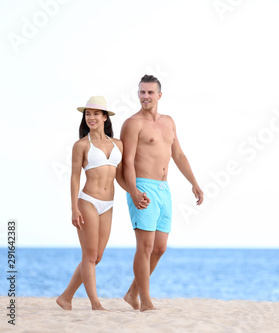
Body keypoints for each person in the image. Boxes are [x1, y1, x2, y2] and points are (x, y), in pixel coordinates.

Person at [56, 96, 149, 310]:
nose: (91, 117)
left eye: (96, 113)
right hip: (87, 201)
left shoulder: (118, 144)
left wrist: (135, 193)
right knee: (89, 256)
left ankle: (65, 297)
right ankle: (95, 304)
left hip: (108, 204)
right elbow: (74, 178)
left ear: (105, 117)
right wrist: (73, 208)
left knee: (97, 257)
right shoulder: (81, 145)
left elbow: (120, 177)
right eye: (88, 114)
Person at [121, 75, 204, 311]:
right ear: (138, 94)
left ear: (159, 95)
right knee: (144, 247)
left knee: (159, 248)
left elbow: (178, 154)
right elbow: (127, 162)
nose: (145, 96)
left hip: (163, 188)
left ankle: (131, 293)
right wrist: (133, 190)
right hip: (143, 186)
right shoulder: (132, 123)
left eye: (150, 92)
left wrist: (193, 182)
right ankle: (145, 301)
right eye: (141, 92)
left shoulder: (168, 121)